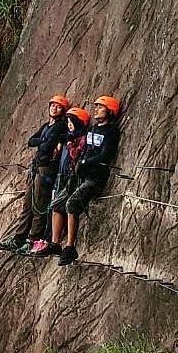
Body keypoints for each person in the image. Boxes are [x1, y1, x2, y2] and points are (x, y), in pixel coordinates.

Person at [46, 95, 120, 266]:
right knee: (57, 203)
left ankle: (70, 247)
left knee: (72, 204)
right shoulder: (93, 129)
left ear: (109, 111)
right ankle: (55, 243)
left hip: (95, 176)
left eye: (100, 107)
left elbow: (106, 154)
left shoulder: (111, 131)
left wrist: (86, 162)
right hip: (80, 174)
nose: (96, 109)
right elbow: (86, 149)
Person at [0, 95, 70, 253]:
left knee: (39, 204)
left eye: (58, 106)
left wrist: (43, 141)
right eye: (52, 105)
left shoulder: (60, 126)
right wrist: (44, 139)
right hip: (36, 166)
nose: (54, 108)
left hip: (46, 167)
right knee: (28, 204)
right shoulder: (45, 126)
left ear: (63, 110)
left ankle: (33, 239)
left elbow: (47, 145)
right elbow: (31, 141)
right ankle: (19, 237)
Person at [28, 107, 89, 256]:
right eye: (67, 121)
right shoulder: (66, 137)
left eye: (71, 121)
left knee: (66, 206)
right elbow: (32, 141)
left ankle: (62, 244)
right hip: (61, 175)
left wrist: (67, 143)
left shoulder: (80, 139)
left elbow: (75, 155)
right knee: (54, 206)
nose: (69, 124)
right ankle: (52, 242)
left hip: (71, 178)